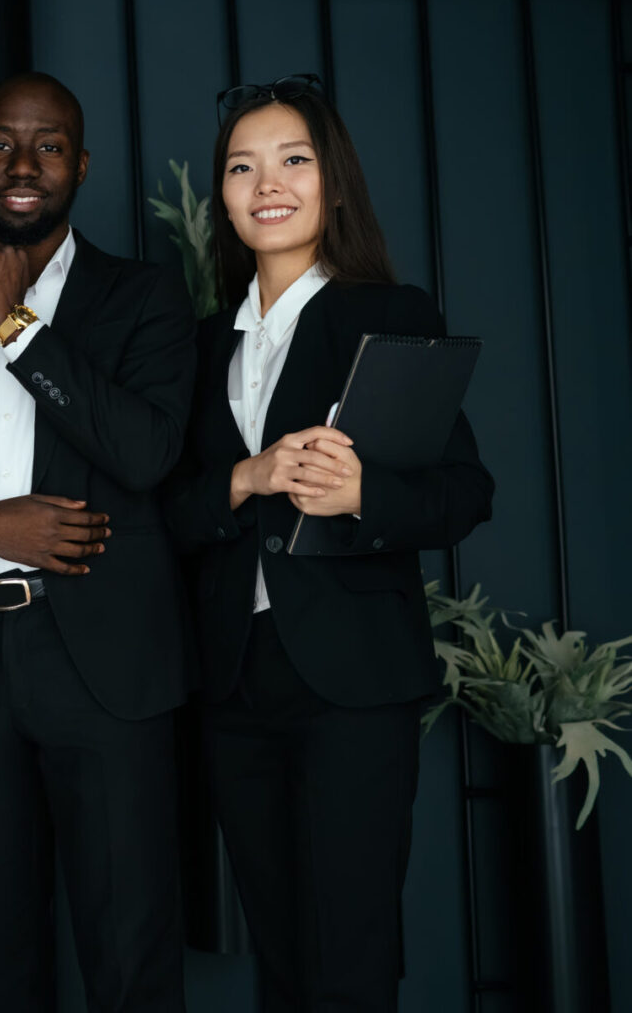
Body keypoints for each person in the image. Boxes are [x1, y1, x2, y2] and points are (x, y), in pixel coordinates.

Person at [162, 75, 493, 1010]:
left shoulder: (384, 315)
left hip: (352, 677)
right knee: (277, 947)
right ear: (224, 197)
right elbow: (172, 519)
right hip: (232, 681)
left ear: (332, 184)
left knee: (348, 952)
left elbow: (466, 493)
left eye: (293, 161)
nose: (267, 184)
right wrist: (245, 477)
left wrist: (362, 493)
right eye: (242, 166)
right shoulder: (196, 350)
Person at [0, 72, 195, 1012]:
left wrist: (15, 325)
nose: (23, 165)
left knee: (129, 936)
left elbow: (145, 452)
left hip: (106, 652)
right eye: (0, 144)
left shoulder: (144, 298)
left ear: (81, 165)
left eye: (48, 146)